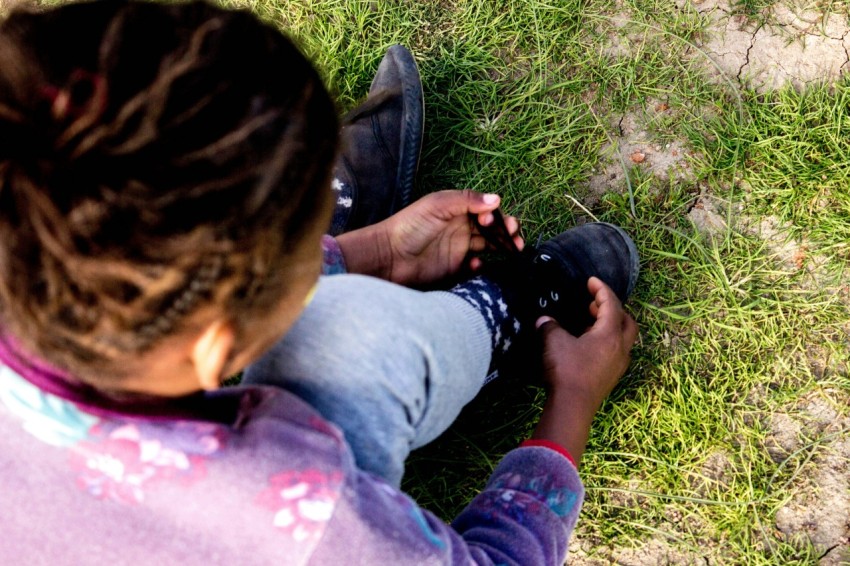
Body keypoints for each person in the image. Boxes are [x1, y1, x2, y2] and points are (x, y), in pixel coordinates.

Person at [0, 1, 639, 564]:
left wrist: (381, 251)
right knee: (352, 340)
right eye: (307, 226)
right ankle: (510, 313)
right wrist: (571, 405)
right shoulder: (289, 520)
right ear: (216, 345)